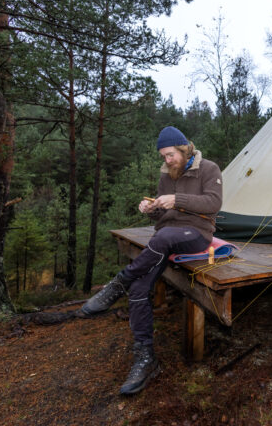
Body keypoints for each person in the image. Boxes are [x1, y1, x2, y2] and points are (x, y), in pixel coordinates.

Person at [80, 126, 223, 395]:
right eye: (163, 156)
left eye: (170, 155)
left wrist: (176, 199)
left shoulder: (209, 169)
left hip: (196, 233)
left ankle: (118, 283)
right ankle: (145, 358)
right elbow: (161, 218)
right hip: (165, 238)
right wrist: (151, 209)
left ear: (184, 149)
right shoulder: (166, 174)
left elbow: (213, 204)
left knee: (163, 237)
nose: (167, 161)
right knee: (140, 287)